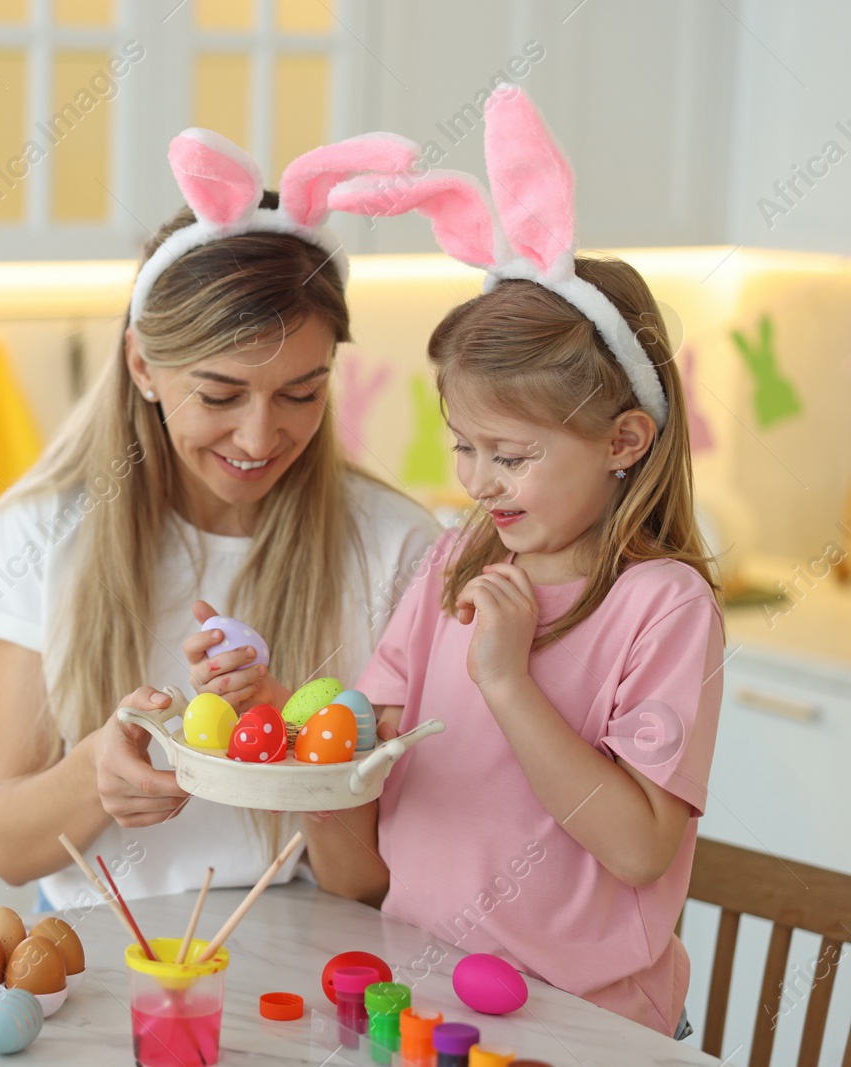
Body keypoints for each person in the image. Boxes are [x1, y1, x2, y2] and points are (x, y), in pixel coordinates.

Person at [306, 87, 722, 1036]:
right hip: (418, 1000)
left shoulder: (663, 605)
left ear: (624, 439)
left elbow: (639, 849)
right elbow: (363, 837)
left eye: (514, 454)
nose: (480, 483)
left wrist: (506, 676)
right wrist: (303, 748)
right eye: (465, 447)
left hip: (588, 1027)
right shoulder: (453, 564)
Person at [0, 128, 440, 910]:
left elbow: (369, 883)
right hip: (101, 946)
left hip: (306, 945)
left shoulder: (400, 548)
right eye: (219, 396)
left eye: (301, 393)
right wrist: (96, 773)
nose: (258, 438)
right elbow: (8, 848)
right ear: (143, 364)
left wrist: (292, 738)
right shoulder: (39, 534)